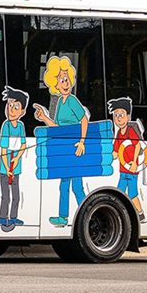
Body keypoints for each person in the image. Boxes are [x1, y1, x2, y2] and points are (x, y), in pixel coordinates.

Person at [33, 54, 90, 227]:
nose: (65, 83)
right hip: (67, 150)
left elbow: (84, 120)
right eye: (61, 80)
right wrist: (44, 118)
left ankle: (83, 216)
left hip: (74, 149)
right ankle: (64, 217)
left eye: (67, 79)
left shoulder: (72, 101)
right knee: (66, 185)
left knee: (75, 186)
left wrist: (81, 142)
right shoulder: (61, 103)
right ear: (55, 84)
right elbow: (57, 126)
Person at [0, 87, 32, 232]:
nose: (11, 110)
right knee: (6, 196)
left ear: (22, 112)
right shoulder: (6, 126)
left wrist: (17, 159)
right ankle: (2, 218)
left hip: (15, 167)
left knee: (16, 196)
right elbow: (4, 151)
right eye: (9, 106)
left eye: (15, 107)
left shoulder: (21, 126)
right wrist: (7, 167)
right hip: (5, 168)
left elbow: (23, 145)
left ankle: (13, 217)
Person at [107, 97, 145, 220]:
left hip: (132, 170)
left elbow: (137, 144)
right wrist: (107, 158)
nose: (118, 118)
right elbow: (116, 151)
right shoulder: (118, 134)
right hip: (123, 170)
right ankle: (120, 215)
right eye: (116, 115)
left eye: (121, 115)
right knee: (120, 192)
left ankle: (140, 214)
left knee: (132, 194)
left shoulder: (130, 130)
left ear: (128, 117)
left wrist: (134, 162)